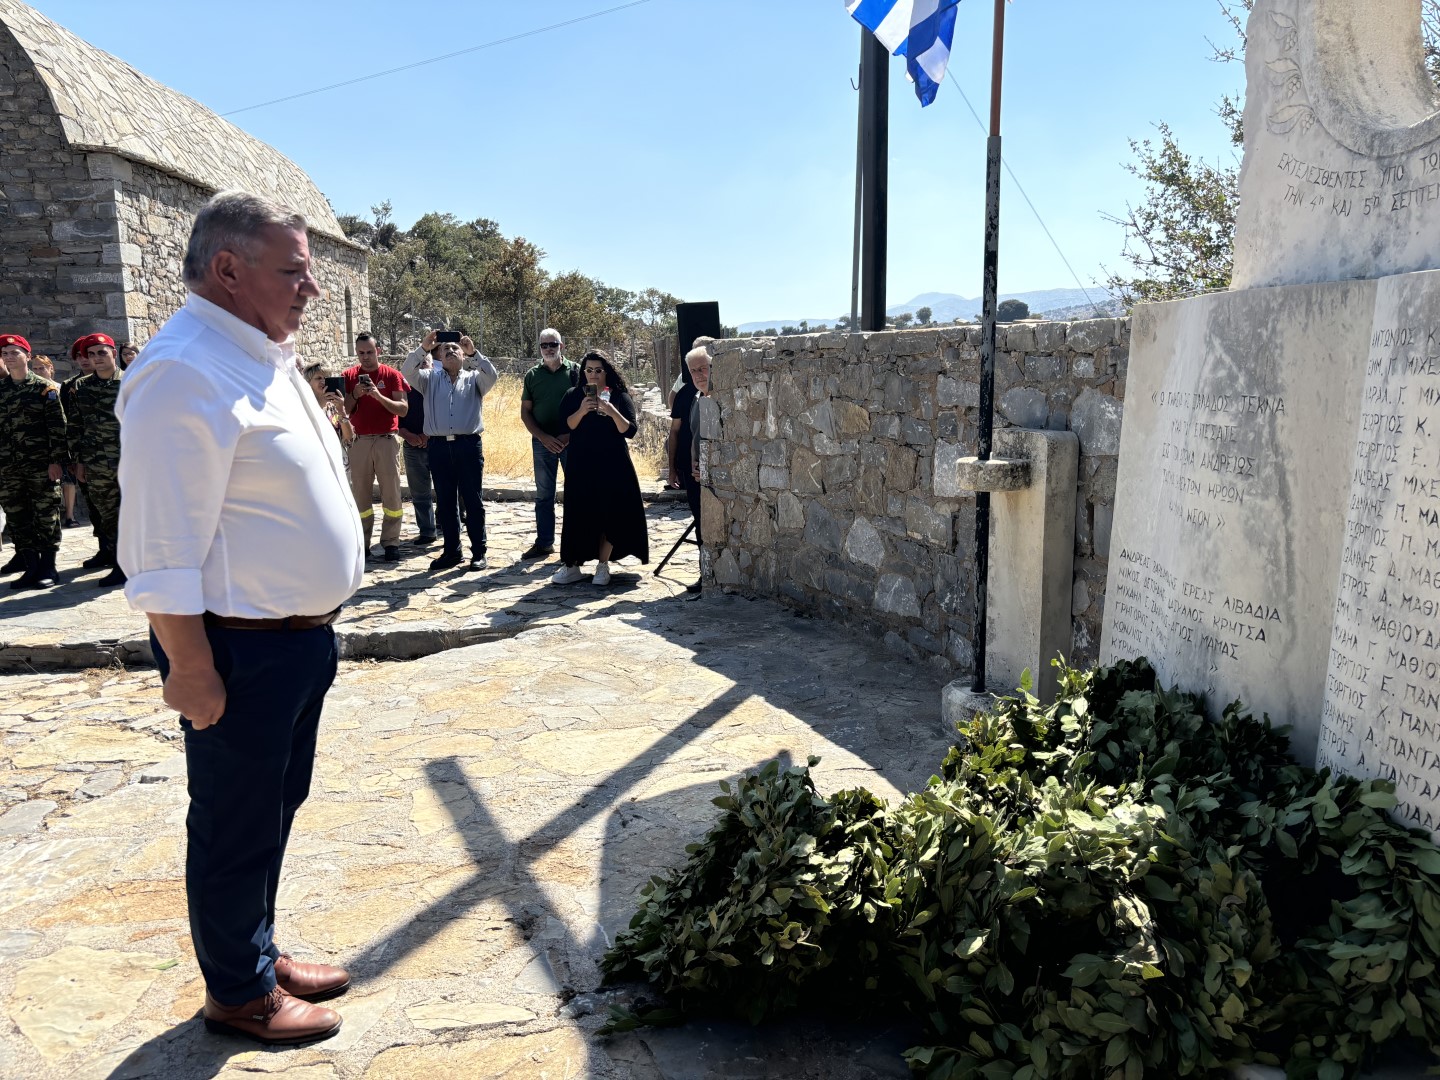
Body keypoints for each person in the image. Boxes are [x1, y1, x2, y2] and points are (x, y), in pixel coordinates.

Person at [115, 190, 365, 1046]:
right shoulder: (183, 371)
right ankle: (238, 993)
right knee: (234, 821)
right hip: (238, 651)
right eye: (294, 271)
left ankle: (253, 950)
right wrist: (189, 668)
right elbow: (159, 547)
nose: (312, 289)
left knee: (271, 809)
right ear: (228, 270)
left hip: (295, 643)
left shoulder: (257, 355)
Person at [402, 331, 497, 571]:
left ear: (463, 355)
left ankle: (479, 552)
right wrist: (423, 347)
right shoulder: (428, 379)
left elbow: (492, 375)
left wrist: (474, 353)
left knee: (473, 500)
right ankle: (452, 552)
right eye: (445, 349)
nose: (451, 351)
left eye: (456, 348)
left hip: (468, 445)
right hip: (439, 447)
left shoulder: (475, 379)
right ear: (439, 357)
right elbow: (407, 371)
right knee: (445, 501)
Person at [551, 349, 648, 586]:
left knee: (610, 514)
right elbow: (566, 425)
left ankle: (602, 566)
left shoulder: (619, 396)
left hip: (613, 465)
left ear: (606, 372)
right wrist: (582, 410)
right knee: (578, 513)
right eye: (588, 370)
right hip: (581, 464)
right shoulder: (573, 395)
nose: (593, 374)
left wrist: (611, 411)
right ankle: (572, 565)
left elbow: (630, 431)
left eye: (598, 370)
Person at [0, 333, 66, 589]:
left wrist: (56, 461)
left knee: (46, 514)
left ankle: (48, 567)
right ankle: (31, 566)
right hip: (8, 467)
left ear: (27, 356)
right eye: (5, 354)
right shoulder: (2, 390)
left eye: (14, 353)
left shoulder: (44, 388)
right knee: (17, 516)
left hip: (40, 465)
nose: (9, 357)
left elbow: (57, 428)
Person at [343, 331, 408, 563]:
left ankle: (391, 542)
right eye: (361, 353)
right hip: (359, 441)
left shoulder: (392, 375)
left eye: (370, 352)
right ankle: (363, 542)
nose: (366, 357)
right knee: (360, 494)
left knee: (391, 494)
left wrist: (379, 396)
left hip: (386, 440)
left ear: (378, 351)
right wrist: (355, 394)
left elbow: (403, 409)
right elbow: (344, 410)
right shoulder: (349, 376)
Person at [68, 333, 127, 587]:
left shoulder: (130, 382)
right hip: (96, 463)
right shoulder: (81, 387)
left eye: (101, 352)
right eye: (91, 354)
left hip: (129, 461)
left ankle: (138, 563)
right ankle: (119, 564)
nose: (96, 358)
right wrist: (79, 461)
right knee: (108, 515)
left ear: (113, 353)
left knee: (134, 513)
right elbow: (76, 425)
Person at [519, 327, 577, 559]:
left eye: (553, 344)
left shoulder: (576, 372)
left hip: (572, 442)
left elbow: (589, 406)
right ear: (540, 348)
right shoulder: (532, 375)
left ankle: (576, 544)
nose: (549, 349)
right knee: (544, 496)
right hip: (542, 443)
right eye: (544, 345)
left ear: (561, 346)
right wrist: (543, 438)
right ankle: (544, 543)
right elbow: (525, 412)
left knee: (576, 493)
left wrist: (567, 436)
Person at [668, 345, 710, 593]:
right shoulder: (693, 397)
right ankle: (706, 574)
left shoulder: (722, 397)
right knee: (701, 525)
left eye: (703, 368)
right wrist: (691, 463)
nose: (698, 375)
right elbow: (687, 434)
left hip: (717, 478)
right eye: (693, 371)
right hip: (694, 474)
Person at [397, 360, 437, 546]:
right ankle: (427, 531)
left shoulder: (439, 387)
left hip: (437, 444)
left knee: (447, 490)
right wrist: (407, 435)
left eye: (425, 363)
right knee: (420, 494)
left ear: (432, 366)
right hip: (412, 446)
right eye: (417, 364)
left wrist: (428, 434)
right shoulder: (401, 390)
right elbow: (394, 417)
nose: (421, 367)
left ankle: (447, 527)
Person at [58, 346, 95, 530]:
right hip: (83, 450)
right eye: (79, 356)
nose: (84, 359)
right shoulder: (69, 385)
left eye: (87, 355)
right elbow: (69, 420)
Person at [301, 362, 353, 447]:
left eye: (326, 378)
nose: (323, 381)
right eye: (318, 378)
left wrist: (342, 411)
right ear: (308, 382)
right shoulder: (304, 406)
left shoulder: (333, 408)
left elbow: (348, 438)